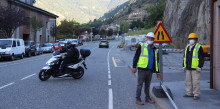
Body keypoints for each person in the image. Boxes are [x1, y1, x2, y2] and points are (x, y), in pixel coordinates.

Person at [132, 32, 161, 105]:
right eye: (149, 38)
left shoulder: (154, 49)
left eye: (151, 38)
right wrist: (134, 67)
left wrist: (157, 72)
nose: (150, 39)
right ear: (146, 38)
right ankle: (137, 98)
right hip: (142, 69)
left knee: (148, 85)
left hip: (150, 70)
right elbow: (136, 57)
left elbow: (156, 61)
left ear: (153, 40)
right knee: (140, 84)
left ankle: (147, 98)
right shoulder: (141, 46)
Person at [183, 33, 204, 100]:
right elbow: (185, 57)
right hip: (188, 67)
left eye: (193, 39)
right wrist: (183, 65)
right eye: (190, 39)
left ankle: (196, 94)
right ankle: (189, 93)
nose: (191, 40)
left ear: (195, 39)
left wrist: (200, 66)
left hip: (195, 68)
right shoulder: (187, 46)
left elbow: (201, 58)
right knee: (188, 81)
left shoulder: (199, 47)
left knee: (195, 81)